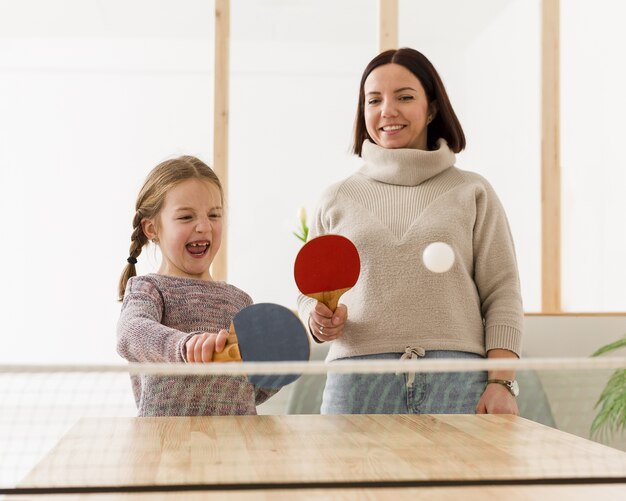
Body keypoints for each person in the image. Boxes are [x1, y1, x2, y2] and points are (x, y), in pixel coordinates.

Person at [297, 48, 523, 415]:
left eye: (404, 97)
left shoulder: (473, 191)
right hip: (356, 383)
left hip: (457, 381)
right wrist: (316, 319)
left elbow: (503, 291)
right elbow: (310, 294)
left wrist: (501, 383)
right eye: (374, 100)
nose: (388, 110)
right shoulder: (337, 198)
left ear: (431, 108)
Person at [117, 155, 274, 416]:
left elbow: (250, 392)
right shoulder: (148, 289)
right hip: (168, 444)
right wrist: (184, 346)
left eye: (214, 215)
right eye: (186, 217)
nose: (204, 226)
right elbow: (130, 333)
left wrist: (274, 372)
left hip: (235, 444)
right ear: (152, 228)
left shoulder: (241, 301)